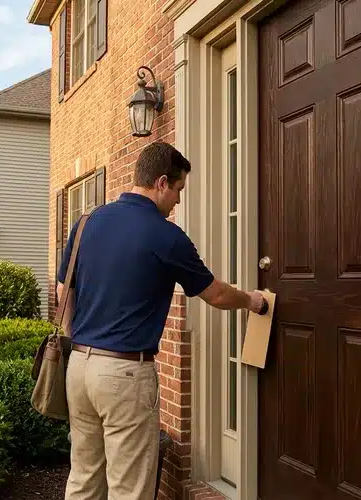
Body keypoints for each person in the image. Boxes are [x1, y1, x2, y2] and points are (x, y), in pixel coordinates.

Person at [58, 141, 265, 500]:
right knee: (129, 488)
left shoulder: (86, 223)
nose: (179, 201)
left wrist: (85, 342)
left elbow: (64, 293)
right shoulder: (165, 236)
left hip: (78, 367)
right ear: (161, 182)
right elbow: (214, 293)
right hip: (124, 374)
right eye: (179, 190)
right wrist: (251, 300)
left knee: (83, 479)